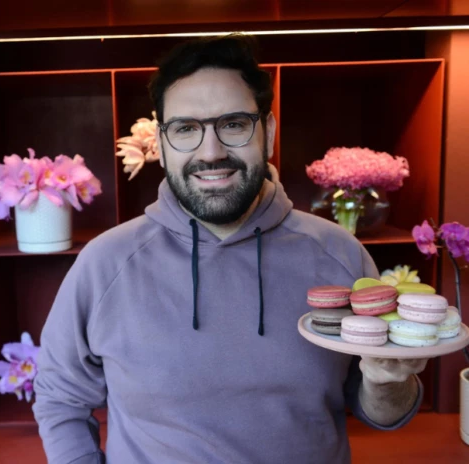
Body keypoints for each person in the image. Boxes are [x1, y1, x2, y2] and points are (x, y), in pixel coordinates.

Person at [32, 34, 427, 463]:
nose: (211, 152)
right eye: (186, 129)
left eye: (234, 124)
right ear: (161, 144)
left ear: (268, 133)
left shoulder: (340, 255)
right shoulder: (104, 264)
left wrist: (388, 381)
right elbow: (60, 399)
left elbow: (383, 412)